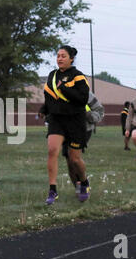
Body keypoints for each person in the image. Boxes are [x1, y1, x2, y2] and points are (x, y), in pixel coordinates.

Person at [42, 45, 90, 205]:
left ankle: (84, 182)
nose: (60, 58)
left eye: (63, 56)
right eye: (58, 56)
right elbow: (50, 95)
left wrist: (65, 89)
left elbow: (83, 99)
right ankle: (52, 190)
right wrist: (44, 109)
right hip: (56, 119)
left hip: (75, 120)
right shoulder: (52, 75)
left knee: (75, 159)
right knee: (52, 150)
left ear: (71, 58)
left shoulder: (78, 76)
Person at [60, 91, 104, 195]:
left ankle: (84, 184)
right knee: (70, 162)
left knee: (74, 159)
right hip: (65, 130)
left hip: (83, 129)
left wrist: (88, 115)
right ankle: (78, 188)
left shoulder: (86, 94)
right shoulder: (58, 93)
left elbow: (100, 111)